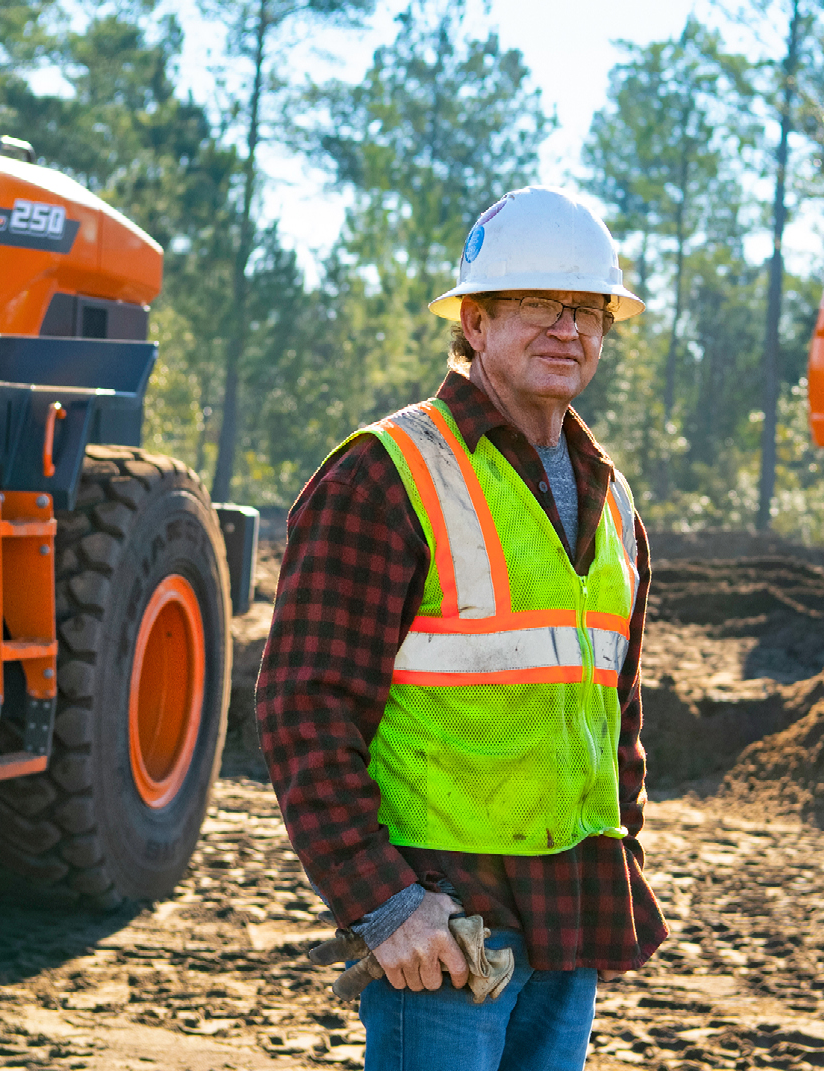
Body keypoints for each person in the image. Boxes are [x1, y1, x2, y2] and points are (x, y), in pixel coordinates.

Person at [256, 185, 667, 1069]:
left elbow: (614, 711)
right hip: (442, 920)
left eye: (589, 309)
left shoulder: (613, 500)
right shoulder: (385, 474)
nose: (570, 328)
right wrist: (384, 904)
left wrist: (618, 863)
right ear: (474, 324)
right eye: (538, 305)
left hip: (570, 917)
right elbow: (302, 706)